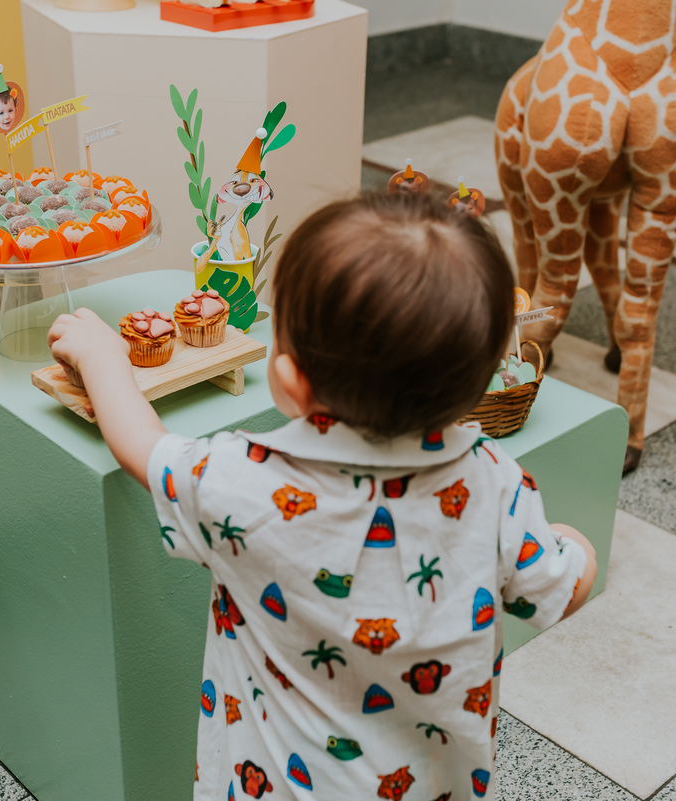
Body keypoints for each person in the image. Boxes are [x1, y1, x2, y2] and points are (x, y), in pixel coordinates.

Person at [47, 193, 597, 800]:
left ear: (290, 381)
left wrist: (101, 356)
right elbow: (563, 586)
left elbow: (142, 446)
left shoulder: (242, 478)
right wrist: (575, 546)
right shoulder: (498, 484)